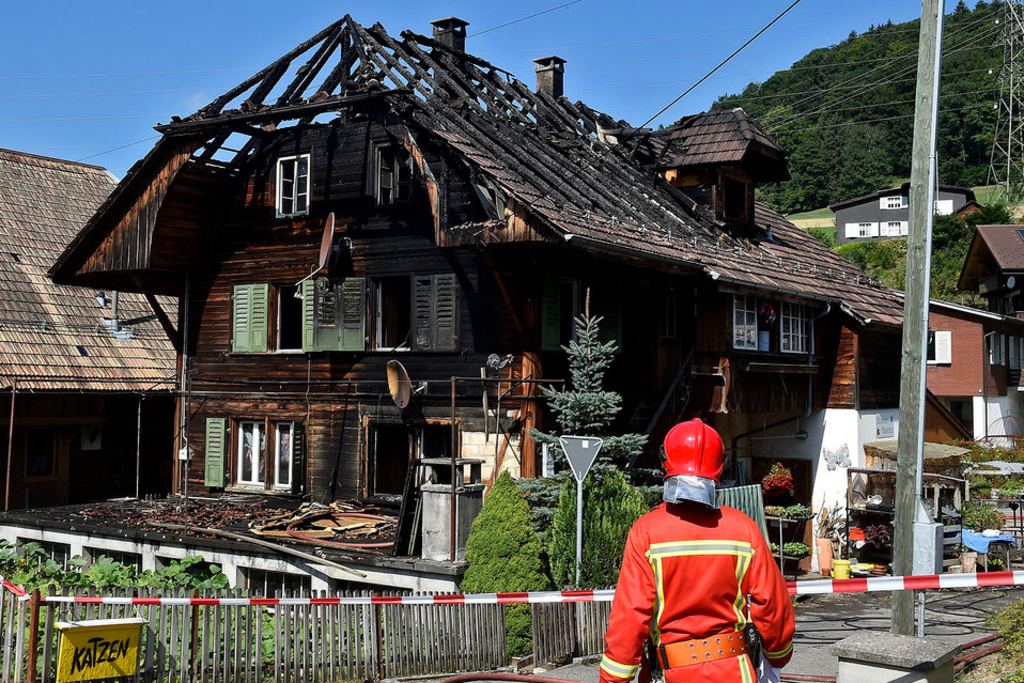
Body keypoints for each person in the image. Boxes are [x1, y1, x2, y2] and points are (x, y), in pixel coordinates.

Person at [599, 418, 795, 683]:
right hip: (735, 672)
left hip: (670, 674)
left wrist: (613, 678)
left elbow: (630, 616)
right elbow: (773, 604)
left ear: (665, 462)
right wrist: (778, 654)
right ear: (721, 467)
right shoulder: (745, 529)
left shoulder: (646, 532)